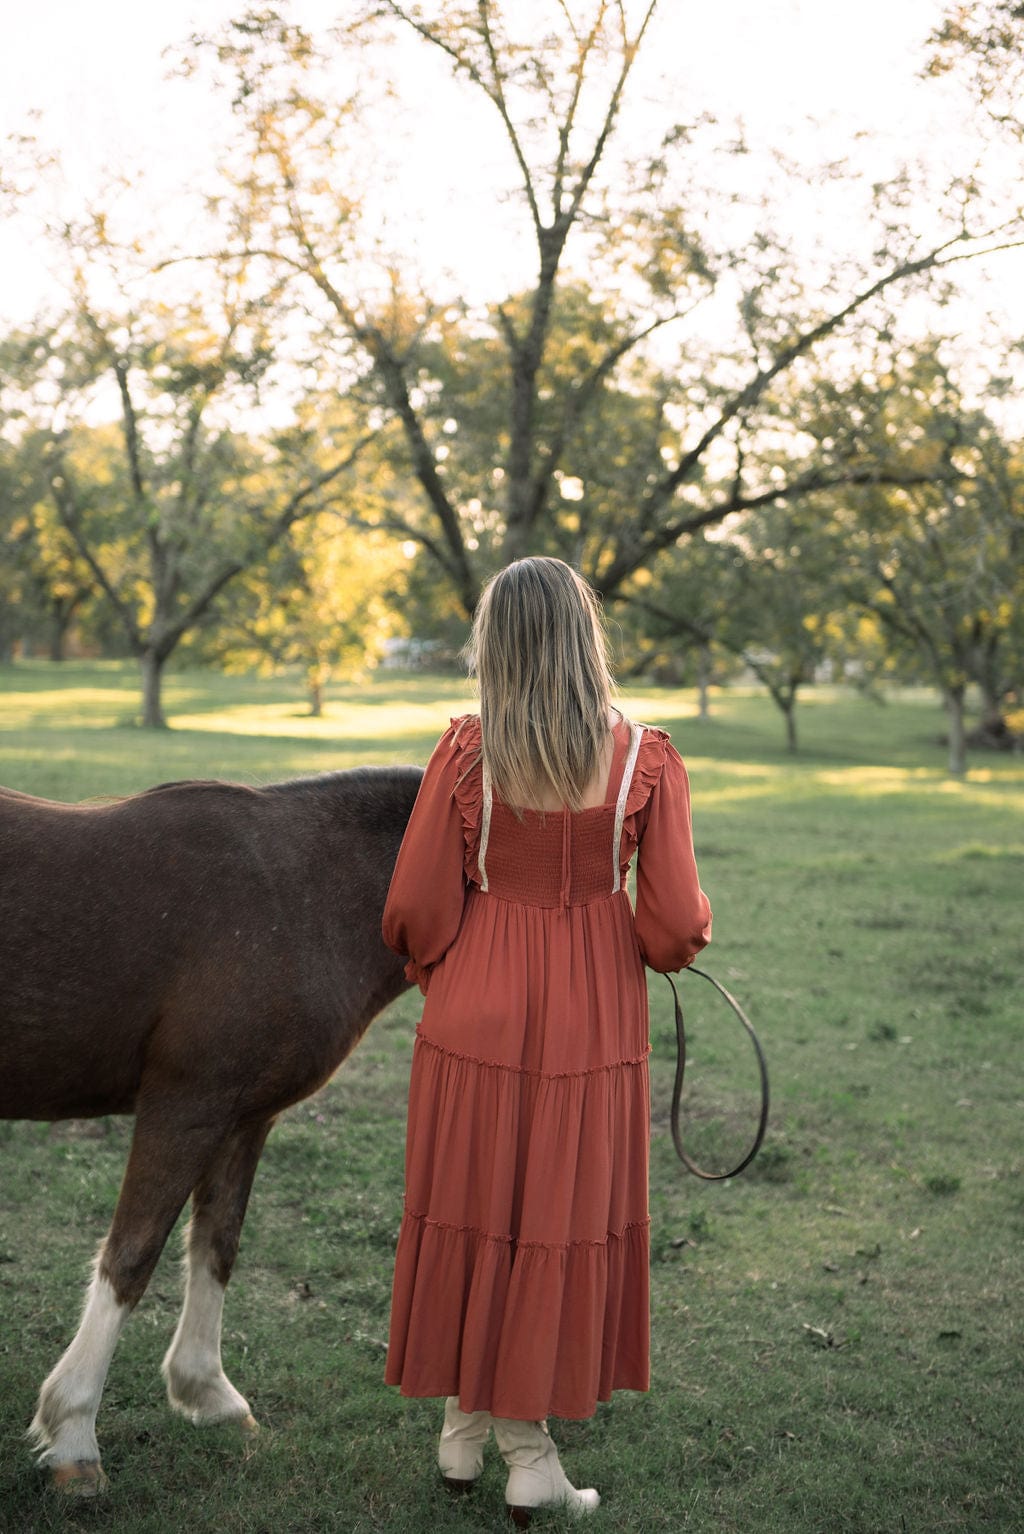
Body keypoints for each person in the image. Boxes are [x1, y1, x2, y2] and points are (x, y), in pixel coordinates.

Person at [381, 556, 712, 1524]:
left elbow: (414, 905)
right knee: (549, 1217)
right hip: (590, 1018)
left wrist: (444, 968)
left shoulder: (466, 751)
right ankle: (527, 1454)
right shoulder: (642, 754)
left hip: (473, 1003)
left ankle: (463, 1433)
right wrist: (679, 938)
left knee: (478, 1209)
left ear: (498, 642)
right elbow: (672, 926)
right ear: (582, 637)